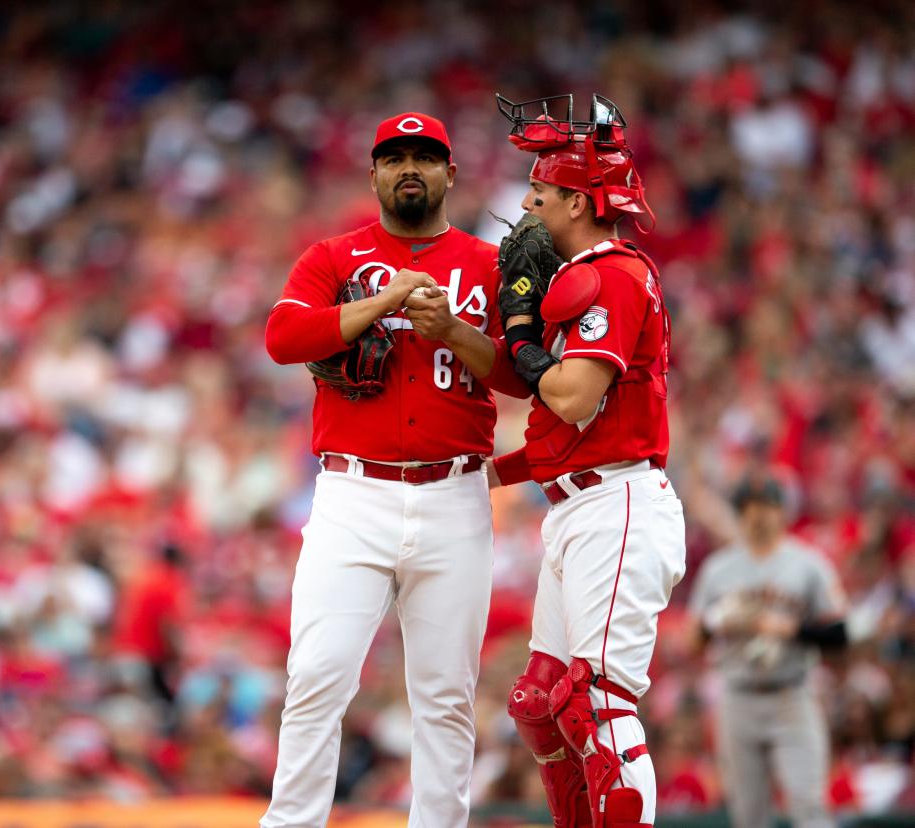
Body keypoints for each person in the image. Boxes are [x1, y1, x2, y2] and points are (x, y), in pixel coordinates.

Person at [261, 112, 530, 828]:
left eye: (425, 156)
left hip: (455, 496)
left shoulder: (489, 264)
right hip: (353, 494)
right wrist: (384, 300)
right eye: (394, 157)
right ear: (373, 174)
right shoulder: (334, 257)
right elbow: (283, 336)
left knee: (445, 694)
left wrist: (453, 332)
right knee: (317, 675)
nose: (409, 167)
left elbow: (525, 376)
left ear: (450, 173)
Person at [486, 94, 686, 828]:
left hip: (618, 506)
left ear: (576, 199)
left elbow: (572, 396)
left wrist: (520, 338)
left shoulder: (614, 274)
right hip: (581, 504)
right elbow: (555, 437)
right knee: (539, 703)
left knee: (596, 701)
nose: (529, 208)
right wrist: (480, 476)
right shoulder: (583, 279)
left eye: (540, 193)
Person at [688, 474, 846, 828]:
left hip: (792, 693)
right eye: (749, 508)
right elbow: (693, 640)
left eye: (766, 507)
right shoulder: (719, 569)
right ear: (739, 514)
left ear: (782, 512)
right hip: (738, 697)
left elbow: (839, 634)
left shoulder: (808, 564)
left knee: (809, 808)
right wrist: (719, 623)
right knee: (748, 815)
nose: (758, 515)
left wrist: (791, 628)